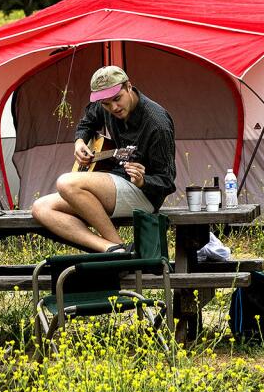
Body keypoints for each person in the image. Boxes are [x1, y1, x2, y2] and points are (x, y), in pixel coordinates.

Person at [31, 65, 176, 253]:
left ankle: (117, 247)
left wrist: (143, 181)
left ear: (129, 86)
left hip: (145, 195)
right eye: (106, 104)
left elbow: (167, 181)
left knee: (67, 182)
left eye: (117, 99)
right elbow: (87, 122)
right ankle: (113, 248)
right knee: (41, 207)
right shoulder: (104, 106)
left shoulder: (158, 124)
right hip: (116, 182)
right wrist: (79, 142)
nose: (113, 107)